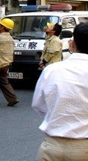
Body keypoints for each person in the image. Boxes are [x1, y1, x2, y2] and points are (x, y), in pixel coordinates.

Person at [32, 23, 88, 160]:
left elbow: (38, 105)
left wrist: (59, 111)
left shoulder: (52, 70)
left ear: (73, 43)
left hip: (52, 147)